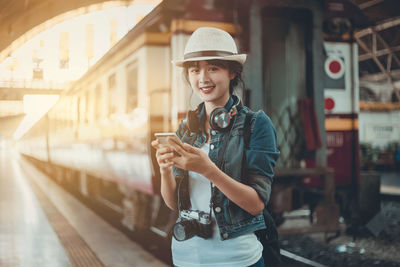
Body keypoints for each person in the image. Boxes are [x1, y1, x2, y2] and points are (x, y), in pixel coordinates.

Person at [151, 27, 280, 267]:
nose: (203, 78)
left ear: (232, 72)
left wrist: (208, 170)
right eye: (194, 69)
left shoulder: (256, 124)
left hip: (238, 261)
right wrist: (165, 169)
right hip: (186, 259)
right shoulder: (185, 129)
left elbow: (256, 204)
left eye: (213, 68)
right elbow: (173, 204)